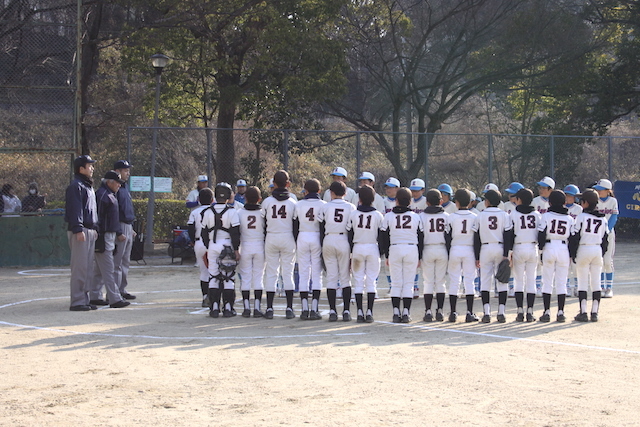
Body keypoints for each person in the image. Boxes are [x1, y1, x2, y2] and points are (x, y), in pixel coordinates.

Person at [380, 187, 424, 323]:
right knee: (408, 283)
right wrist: (420, 256)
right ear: (410, 201)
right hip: (411, 248)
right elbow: (421, 237)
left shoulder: (388, 216)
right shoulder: (416, 217)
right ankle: (406, 312)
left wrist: (387, 254)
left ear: (396, 200)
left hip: (395, 248)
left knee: (396, 283)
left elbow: (383, 237)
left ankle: (395, 312)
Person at [90, 171, 130, 309]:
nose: (119, 185)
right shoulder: (102, 195)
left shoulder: (109, 194)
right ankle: (114, 298)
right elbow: (98, 218)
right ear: (109, 182)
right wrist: (99, 235)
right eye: (117, 182)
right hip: (104, 235)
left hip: (109, 234)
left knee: (99, 269)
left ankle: (94, 296)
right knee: (108, 268)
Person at [261, 170, 298, 319]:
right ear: (288, 184)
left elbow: (262, 223)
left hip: (271, 236)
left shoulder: (267, 202)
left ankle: (269, 308)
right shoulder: (293, 202)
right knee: (288, 273)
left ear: (274, 184)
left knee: (271, 272)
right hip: (287, 236)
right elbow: (296, 225)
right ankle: (289, 308)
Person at [64, 155, 99, 311]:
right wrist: (78, 229)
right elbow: (75, 209)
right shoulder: (75, 186)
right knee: (80, 267)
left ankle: (84, 299)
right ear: (81, 169)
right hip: (81, 231)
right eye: (89, 165)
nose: (92, 168)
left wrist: (95, 228)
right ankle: (77, 301)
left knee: (88, 267)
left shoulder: (87, 186)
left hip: (89, 230)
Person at [319, 180, 357, 321]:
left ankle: (333, 311)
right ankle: (346, 311)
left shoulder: (325, 206)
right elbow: (352, 228)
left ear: (331, 193)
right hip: (343, 239)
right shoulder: (351, 206)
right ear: (345, 193)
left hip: (329, 239)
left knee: (331, 278)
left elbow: (321, 227)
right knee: (345, 277)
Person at [202, 182, 241, 318]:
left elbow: (203, 233)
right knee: (228, 277)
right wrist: (236, 249)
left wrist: (209, 246)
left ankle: (214, 307)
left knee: (213, 276)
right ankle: (228, 307)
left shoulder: (207, 212)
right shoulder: (232, 212)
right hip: (227, 245)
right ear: (229, 195)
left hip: (213, 244)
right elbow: (235, 233)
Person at [473, 189, 512, 323]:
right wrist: (506, 255)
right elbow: (508, 236)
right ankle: (501, 312)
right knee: (502, 281)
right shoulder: (504, 215)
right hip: (500, 247)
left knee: (485, 281)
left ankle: (487, 313)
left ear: (487, 202)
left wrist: (477, 256)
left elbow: (476, 238)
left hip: (485, 248)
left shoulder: (480, 215)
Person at [569, 189, 608, 322]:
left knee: (582, 282)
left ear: (585, 203)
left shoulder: (581, 216)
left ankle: (583, 312)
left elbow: (575, 236)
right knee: (596, 282)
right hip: (596, 250)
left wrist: (573, 253)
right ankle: (595, 312)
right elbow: (605, 240)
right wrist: (601, 253)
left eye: (581, 201)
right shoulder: (603, 219)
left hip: (584, 249)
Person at [347, 184, 384, 323]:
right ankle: (369, 312)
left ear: (359, 199)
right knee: (371, 282)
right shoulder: (378, 215)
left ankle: (359, 312)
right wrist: (380, 252)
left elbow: (349, 234)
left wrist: (351, 251)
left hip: (358, 247)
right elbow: (381, 236)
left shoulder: (353, 214)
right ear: (373, 199)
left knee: (358, 281)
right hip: (372, 247)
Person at [537, 190, 575, 322]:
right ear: (564, 202)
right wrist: (572, 254)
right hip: (564, 248)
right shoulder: (569, 218)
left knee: (547, 282)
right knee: (561, 282)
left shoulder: (546, 216)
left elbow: (541, 234)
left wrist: (541, 250)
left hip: (549, 247)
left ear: (550, 202)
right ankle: (560, 312)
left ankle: (547, 312)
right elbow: (573, 237)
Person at [505, 188, 542, 322]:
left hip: (518, 247)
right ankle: (530, 312)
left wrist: (509, 252)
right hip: (532, 247)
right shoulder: (537, 214)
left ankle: (520, 311)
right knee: (531, 281)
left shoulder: (513, 214)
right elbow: (541, 232)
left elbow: (509, 234)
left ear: (519, 200)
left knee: (519, 281)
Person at [445, 189, 479, 322]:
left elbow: (447, 237)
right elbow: (477, 238)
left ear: (456, 202)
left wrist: (449, 252)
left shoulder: (451, 217)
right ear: (470, 202)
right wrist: (477, 256)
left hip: (455, 248)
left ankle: (453, 312)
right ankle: (469, 313)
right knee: (469, 281)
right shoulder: (474, 217)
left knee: (454, 281)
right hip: (469, 249)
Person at [293, 179, 325, 320]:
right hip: (317, 236)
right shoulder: (324, 205)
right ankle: (314, 309)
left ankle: (304, 309)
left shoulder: (298, 204)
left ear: (305, 190)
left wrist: (296, 240)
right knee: (316, 273)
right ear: (319, 191)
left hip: (303, 235)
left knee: (304, 272)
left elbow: (295, 224)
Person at [419, 189, 449, 322]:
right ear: (441, 201)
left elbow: (419, 237)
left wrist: (419, 255)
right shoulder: (447, 216)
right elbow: (449, 237)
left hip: (428, 249)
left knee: (428, 282)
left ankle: (428, 311)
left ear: (427, 202)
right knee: (441, 282)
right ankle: (440, 311)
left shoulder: (422, 216)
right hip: (442, 248)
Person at [237, 186, 266, 318]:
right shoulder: (262, 213)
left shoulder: (240, 213)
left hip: (245, 245)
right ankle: (257, 307)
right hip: (260, 245)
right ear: (259, 199)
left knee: (246, 277)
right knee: (258, 277)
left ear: (245, 198)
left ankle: (246, 307)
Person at [113, 160, 137, 300]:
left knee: (125, 261)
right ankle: (114, 290)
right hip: (120, 226)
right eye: (125, 171)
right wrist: (118, 231)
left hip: (128, 225)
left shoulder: (125, 187)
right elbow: (114, 212)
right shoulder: (114, 188)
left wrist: (131, 228)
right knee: (117, 261)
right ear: (117, 171)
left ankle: (122, 289)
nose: (128, 173)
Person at [188, 187, 215, 308]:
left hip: (199, 243)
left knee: (204, 271)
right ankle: (215, 297)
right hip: (214, 242)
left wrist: (193, 241)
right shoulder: (215, 210)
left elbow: (190, 228)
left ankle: (205, 297)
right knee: (215, 271)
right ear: (212, 199)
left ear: (198, 199)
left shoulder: (194, 212)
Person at [594, 178, 618, 298]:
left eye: (601, 190)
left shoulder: (613, 201)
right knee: (599, 261)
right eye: (597, 190)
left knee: (607, 261)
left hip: (608, 234)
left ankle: (609, 288)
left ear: (608, 190)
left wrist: (606, 230)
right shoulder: (595, 200)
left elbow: (614, 217)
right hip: (596, 234)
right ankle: (601, 287)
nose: (598, 192)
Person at [533, 176, 555, 296]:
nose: (540, 189)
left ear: (550, 189)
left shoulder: (556, 200)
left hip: (552, 235)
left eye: (543, 187)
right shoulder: (535, 201)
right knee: (538, 262)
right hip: (539, 234)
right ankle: (538, 286)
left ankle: (547, 286)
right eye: (539, 187)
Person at [563, 184, 583, 297]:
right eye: (566, 195)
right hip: (564, 239)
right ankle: (567, 287)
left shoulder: (578, 209)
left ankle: (576, 286)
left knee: (575, 266)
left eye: (570, 195)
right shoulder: (561, 207)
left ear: (575, 197)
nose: (567, 197)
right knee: (566, 265)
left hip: (575, 240)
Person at [409, 178, 427, 298]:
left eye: (417, 190)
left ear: (423, 190)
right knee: (413, 263)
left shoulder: (426, 201)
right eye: (413, 190)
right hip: (411, 234)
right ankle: (414, 287)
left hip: (424, 233)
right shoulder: (409, 201)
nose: (414, 193)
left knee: (422, 262)